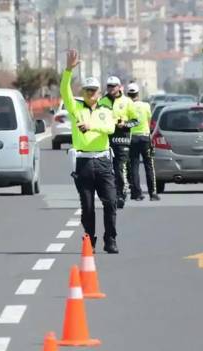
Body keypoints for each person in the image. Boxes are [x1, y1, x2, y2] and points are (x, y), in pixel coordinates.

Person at [60, 49, 120, 254]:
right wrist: (68, 70)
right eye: (87, 90)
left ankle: (110, 239)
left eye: (94, 90)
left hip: (103, 162)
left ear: (99, 93)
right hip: (84, 163)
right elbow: (64, 91)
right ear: (83, 92)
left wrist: (92, 127)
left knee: (110, 202)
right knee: (87, 206)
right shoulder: (76, 108)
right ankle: (90, 240)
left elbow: (111, 129)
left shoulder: (105, 111)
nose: (90, 93)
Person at [98, 76, 139, 209]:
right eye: (109, 86)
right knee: (107, 170)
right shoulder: (102, 101)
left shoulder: (127, 101)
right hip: (106, 140)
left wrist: (125, 124)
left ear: (119, 87)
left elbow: (136, 120)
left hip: (122, 140)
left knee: (120, 169)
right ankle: (110, 195)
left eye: (114, 86)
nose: (111, 88)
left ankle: (121, 195)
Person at [126, 83, 159, 201]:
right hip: (145, 138)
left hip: (132, 139)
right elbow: (149, 120)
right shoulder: (146, 106)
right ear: (138, 94)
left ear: (127, 94)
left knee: (133, 166)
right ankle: (152, 193)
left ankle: (136, 193)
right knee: (149, 165)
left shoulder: (127, 106)